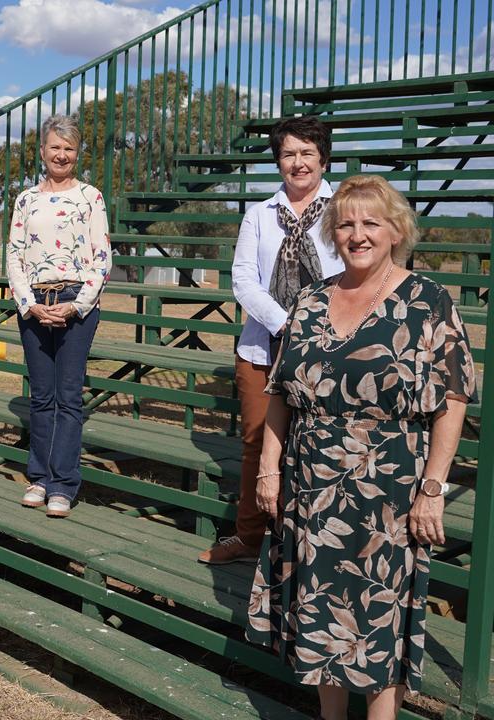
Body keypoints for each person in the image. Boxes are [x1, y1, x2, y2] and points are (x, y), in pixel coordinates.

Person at [247, 175, 476, 720]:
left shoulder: (428, 299)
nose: (358, 234)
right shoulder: (309, 298)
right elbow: (281, 393)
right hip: (312, 486)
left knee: (378, 621)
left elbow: (454, 399)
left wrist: (433, 489)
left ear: (397, 230)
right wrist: (268, 469)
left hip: (389, 490)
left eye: (371, 222)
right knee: (322, 612)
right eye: (345, 224)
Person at [200, 115, 345, 564]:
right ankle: (249, 537)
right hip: (264, 347)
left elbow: (356, 273)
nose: (297, 163)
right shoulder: (258, 214)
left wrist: (315, 329)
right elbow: (243, 279)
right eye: (288, 154)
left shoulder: (346, 207)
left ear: (323, 158)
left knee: (318, 448)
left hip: (331, 347)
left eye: (306, 153)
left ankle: (311, 545)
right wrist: (286, 324)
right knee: (257, 445)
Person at [7, 114, 112, 518]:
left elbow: (102, 259)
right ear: (42, 151)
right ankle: (38, 477)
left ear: (77, 153)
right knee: (41, 395)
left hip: (75, 303)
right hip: (34, 304)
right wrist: (28, 303)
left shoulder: (91, 197)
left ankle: (63, 485)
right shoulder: (26, 199)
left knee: (68, 398)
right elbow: (14, 255)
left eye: (69, 148)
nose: (62, 154)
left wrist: (76, 305)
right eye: (55, 147)